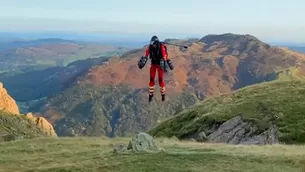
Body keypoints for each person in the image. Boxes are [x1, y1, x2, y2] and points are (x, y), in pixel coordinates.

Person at [138, 35, 174, 102]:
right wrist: (142, 62)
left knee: (161, 80)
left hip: (160, 65)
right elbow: (146, 55)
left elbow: (165, 56)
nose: (152, 45)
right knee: (151, 80)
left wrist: (166, 65)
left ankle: (163, 95)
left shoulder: (162, 47)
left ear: (156, 43)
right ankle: (151, 94)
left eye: (153, 43)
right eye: (151, 43)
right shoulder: (150, 47)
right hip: (153, 64)